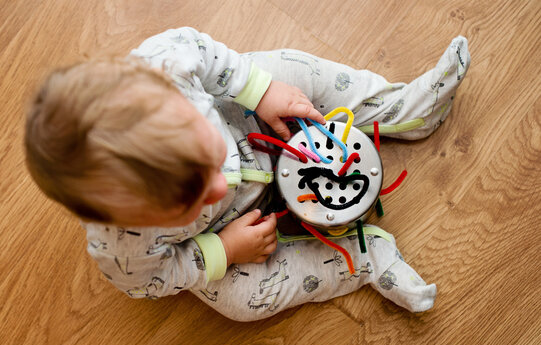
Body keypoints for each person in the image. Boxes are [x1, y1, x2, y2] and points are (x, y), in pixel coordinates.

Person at [25, 27, 470, 321]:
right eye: (188, 200)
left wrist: (262, 91)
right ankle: (363, 259)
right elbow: (151, 280)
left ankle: (405, 111)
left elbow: (205, 53)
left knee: (293, 70)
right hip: (231, 230)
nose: (220, 184)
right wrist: (220, 250)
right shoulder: (120, 247)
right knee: (244, 303)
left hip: (251, 119)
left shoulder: (164, 64)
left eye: (208, 155)